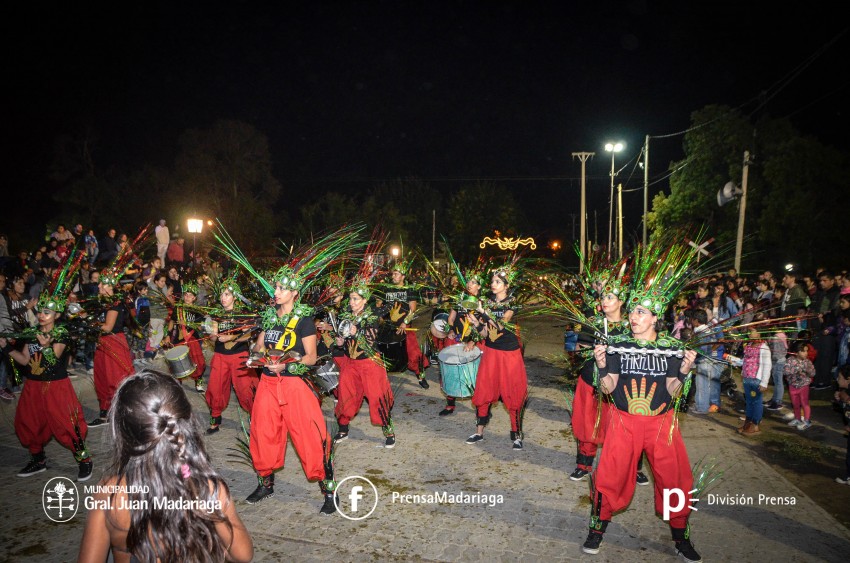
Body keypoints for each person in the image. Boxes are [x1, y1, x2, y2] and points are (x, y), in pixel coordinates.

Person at [582, 238, 701, 562]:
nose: (633, 316)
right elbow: (607, 388)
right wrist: (602, 363)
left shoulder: (671, 348)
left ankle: (681, 537)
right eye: (632, 310)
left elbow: (675, 391)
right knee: (609, 475)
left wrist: (686, 370)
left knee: (675, 478)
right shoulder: (619, 344)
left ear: (654, 317)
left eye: (640, 311)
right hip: (623, 422)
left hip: (662, 424)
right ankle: (597, 528)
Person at [77, 370, 253, 563]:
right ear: (186, 422)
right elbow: (243, 555)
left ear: (122, 431)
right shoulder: (208, 488)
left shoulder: (109, 493)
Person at [243, 267, 337, 512]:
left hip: (294, 386)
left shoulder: (304, 321)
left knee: (309, 436)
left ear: (294, 293)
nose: (276, 292)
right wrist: (256, 357)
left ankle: (328, 491)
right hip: (267, 384)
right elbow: (260, 345)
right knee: (262, 432)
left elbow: (310, 357)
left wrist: (286, 364)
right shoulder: (271, 317)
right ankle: (266, 483)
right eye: (276, 287)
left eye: (281, 288)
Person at [2, 294, 93, 481]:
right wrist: (5, 348)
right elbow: (25, 360)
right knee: (28, 423)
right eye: (41, 311)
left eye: (47, 312)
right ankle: (38, 460)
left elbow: (54, 361)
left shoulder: (61, 333)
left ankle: (84, 461)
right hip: (33, 385)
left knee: (68, 425)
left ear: (57, 315)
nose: (42, 315)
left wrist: (45, 347)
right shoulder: (33, 332)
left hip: (56, 386)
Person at [464, 263, 528, 450]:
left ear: (506, 285)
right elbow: (486, 334)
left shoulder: (512, 302)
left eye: (498, 281)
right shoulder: (488, 302)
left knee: (512, 391)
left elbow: (501, 325)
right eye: (492, 281)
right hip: (491, 351)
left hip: (509, 353)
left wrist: (483, 312)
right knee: (484, 390)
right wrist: (476, 323)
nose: (493, 284)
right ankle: (479, 432)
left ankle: (516, 434)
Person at [333, 276, 397, 448]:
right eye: (351, 298)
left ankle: (388, 430)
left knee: (377, 396)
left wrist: (355, 333)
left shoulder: (371, 316)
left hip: (370, 363)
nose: (352, 302)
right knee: (346, 395)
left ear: (365, 299)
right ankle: (343, 428)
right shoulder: (346, 314)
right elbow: (344, 339)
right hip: (350, 362)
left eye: (356, 299)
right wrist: (340, 342)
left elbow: (369, 343)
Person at [205, 279, 260, 435]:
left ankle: (254, 418)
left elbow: (250, 334)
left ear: (234, 296)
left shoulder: (242, 314)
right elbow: (213, 338)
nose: (223, 298)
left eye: (227, 294)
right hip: (220, 356)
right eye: (222, 294)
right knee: (216, 388)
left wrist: (231, 338)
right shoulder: (217, 314)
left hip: (239, 355)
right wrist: (212, 335)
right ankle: (215, 418)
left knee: (245, 389)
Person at [87, 270, 136, 427]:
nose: (99, 286)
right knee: (101, 379)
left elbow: (107, 327)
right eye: (100, 283)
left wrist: (89, 323)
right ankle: (105, 414)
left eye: (103, 284)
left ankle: (126, 413)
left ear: (112, 287)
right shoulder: (102, 303)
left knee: (116, 380)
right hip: (103, 343)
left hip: (114, 342)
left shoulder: (115, 304)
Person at [376, 261, 430, 388]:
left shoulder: (409, 289)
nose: (393, 276)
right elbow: (379, 305)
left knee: (414, 352)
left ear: (403, 276)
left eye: (396, 274)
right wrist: (379, 314)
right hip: (388, 327)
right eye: (393, 274)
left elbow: (412, 309)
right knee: (379, 352)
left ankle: (420, 376)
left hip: (405, 326)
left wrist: (405, 323)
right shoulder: (386, 288)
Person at [439, 268, 484, 416]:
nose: (470, 285)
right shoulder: (459, 299)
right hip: (457, 340)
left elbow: (483, 325)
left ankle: (480, 407)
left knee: (475, 375)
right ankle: (450, 404)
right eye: (468, 282)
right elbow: (451, 319)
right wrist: (450, 330)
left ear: (479, 286)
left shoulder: (482, 303)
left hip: (475, 342)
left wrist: (472, 341)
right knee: (451, 373)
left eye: (473, 282)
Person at [170, 282, 207, 393]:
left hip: (193, 339)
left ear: (194, 298)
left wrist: (187, 323)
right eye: (186, 295)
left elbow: (201, 327)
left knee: (198, 362)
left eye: (190, 295)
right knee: (178, 362)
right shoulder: (178, 308)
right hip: (179, 338)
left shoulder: (197, 311)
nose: (187, 297)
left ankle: (198, 381)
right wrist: (168, 335)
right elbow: (172, 321)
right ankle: (178, 382)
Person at [735, 326, 772, 436]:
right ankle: (748, 423)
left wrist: (764, 382)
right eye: (749, 332)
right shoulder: (749, 346)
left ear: (760, 333)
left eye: (752, 332)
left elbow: (767, 365)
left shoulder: (764, 348)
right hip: (747, 379)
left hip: (757, 380)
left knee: (756, 402)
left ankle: (755, 425)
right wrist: (736, 363)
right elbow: (745, 361)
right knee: (749, 402)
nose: (749, 334)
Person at [784, 340, 815, 430]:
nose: (806, 353)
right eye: (803, 351)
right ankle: (797, 419)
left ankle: (807, 421)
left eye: (806, 351)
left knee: (805, 403)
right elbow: (785, 371)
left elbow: (813, 373)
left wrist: (807, 370)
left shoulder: (807, 362)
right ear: (796, 352)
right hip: (792, 386)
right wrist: (796, 369)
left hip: (804, 386)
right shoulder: (789, 360)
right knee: (795, 404)